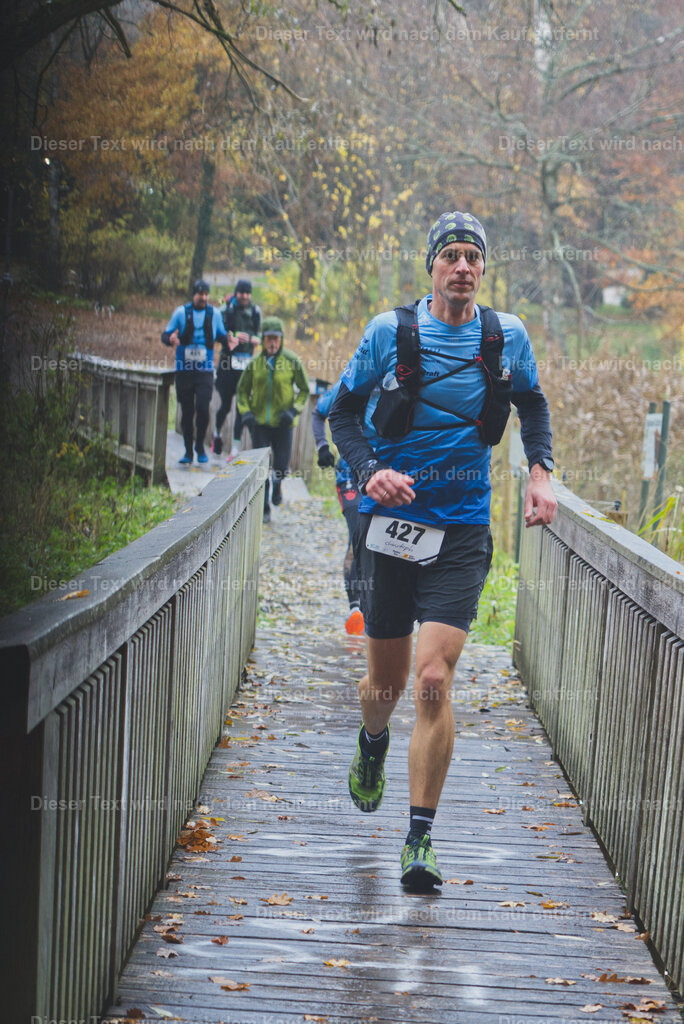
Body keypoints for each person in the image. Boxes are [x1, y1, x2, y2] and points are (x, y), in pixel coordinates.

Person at [329, 211, 557, 891]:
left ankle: (419, 839)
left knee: (433, 679)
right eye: (450, 255)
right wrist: (370, 468)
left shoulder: (505, 336)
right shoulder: (389, 333)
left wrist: (540, 471)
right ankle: (373, 742)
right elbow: (339, 412)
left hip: (461, 526)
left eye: (473, 257)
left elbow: (533, 405)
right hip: (392, 524)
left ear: (483, 268)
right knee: (386, 685)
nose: (462, 266)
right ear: (431, 265)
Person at [312, 381, 378, 635]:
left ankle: (373, 600)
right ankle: (356, 607)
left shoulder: (400, 376)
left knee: (376, 534)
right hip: (349, 475)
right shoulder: (350, 380)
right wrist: (322, 446)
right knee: (358, 532)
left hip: (382, 473)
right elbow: (318, 412)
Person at [236, 316, 309, 523]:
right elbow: (241, 392)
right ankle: (264, 507)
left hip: (283, 423)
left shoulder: (292, 361)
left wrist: (294, 411)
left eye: (276, 339)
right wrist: (246, 412)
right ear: (262, 339)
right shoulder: (254, 364)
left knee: (281, 465)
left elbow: (304, 390)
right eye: (268, 338)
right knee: (261, 468)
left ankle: (277, 486)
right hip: (259, 424)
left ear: (281, 340)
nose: (272, 343)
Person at [163, 279, 228, 464]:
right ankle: (187, 451)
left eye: (206, 294)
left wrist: (230, 340)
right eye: (201, 294)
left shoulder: (214, 314)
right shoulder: (181, 313)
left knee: (202, 408)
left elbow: (222, 336)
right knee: (187, 411)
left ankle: (200, 445)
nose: (204, 297)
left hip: (205, 370)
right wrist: (171, 339)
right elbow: (165, 335)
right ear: (194, 295)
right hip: (184, 370)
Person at [213, 279, 262, 459]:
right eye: (242, 293)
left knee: (242, 407)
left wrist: (254, 339)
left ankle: (234, 448)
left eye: (247, 293)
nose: (245, 296)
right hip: (227, 364)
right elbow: (217, 333)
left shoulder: (256, 312)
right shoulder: (226, 309)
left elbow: (261, 336)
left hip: (246, 366)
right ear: (236, 293)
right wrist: (233, 337)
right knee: (225, 406)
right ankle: (216, 433)